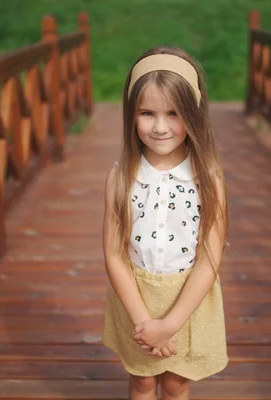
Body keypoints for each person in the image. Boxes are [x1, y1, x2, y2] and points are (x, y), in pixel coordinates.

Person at [102, 46, 229, 400]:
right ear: (132, 114)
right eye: (147, 113)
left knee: (176, 383)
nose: (160, 127)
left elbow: (209, 259)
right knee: (142, 380)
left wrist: (170, 325)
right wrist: (145, 322)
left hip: (188, 299)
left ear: (194, 113)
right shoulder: (121, 177)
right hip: (136, 297)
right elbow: (114, 255)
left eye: (174, 113)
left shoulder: (208, 179)